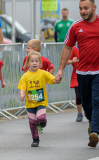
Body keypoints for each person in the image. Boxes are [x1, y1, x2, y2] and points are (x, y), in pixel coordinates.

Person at [55, 0, 99, 148]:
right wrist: (60, 70)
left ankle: (95, 132)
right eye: (80, 8)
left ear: (94, 7)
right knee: (86, 104)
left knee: (97, 100)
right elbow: (67, 48)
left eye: (86, 8)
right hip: (82, 71)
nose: (83, 11)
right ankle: (92, 123)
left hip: (98, 71)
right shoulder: (75, 26)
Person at [18, 51, 58, 147]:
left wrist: (56, 79)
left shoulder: (43, 73)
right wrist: (22, 95)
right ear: (28, 63)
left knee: (41, 118)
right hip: (30, 103)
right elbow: (22, 87)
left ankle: (43, 121)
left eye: (36, 61)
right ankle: (35, 139)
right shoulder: (25, 76)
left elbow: (52, 79)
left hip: (41, 102)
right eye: (32, 61)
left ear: (40, 63)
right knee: (32, 122)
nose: (34, 63)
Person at [22, 39, 55, 134]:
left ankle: (40, 124)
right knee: (32, 107)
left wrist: (47, 79)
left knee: (39, 106)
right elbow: (25, 72)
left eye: (28, 48)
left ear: (35, 49)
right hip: (30, 89)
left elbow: (52, 67)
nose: (26, 50)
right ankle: (36, 123)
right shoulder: (26, 59)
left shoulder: (43, 59)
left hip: (40, 88)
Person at [66, 46, 83, 122]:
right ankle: (79, 113)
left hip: (88, 75)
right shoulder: (74, 49)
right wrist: (72, 61)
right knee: (78, 96)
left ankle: (88, 110)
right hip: (77, 76)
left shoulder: (89, 47)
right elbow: (66, 61)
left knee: (89, 96)